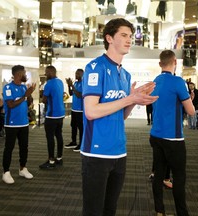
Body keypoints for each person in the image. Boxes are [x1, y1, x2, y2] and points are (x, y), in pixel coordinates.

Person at [81, 18, 158, 216]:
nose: (129, 40)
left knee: (110, 209)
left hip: (119, 152)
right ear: (109, 38)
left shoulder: (126, 75)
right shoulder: (95, 67)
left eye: (130, 36)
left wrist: (134, 100)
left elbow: (121, 116)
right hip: (96, 153)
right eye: (123, 35)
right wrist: (129, 98)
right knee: (93, 211)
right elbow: (91, 111)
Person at [150, 50, 195, 216]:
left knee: (159, 174)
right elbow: (191, 112)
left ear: (160, 63)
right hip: (173, 138)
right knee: (179, 177)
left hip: (156, 135)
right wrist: (188, 100)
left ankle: (159, 211)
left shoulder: (155, 81)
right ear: (175, 61)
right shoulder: (178, 82)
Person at [2, 65, 36, 184]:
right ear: (18, 75)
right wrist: (25, 95)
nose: (26, 75)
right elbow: (10, 104)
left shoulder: (23, 87)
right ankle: (6, 172)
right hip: (11, 124)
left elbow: (28, 103)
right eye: (24, 73)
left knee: (24, 147)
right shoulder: (7, 88)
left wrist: (30, 93)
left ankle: (23, 168)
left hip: (24, 123)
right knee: (9, 148)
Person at [39, 65, 65, 169]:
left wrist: (42, 95)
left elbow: (44, 100)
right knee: (59, 135)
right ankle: (59, 158)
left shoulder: (48, 84)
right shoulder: (60, 81)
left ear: (50, 72)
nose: (45, 74)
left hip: (52, 115)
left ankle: (51, 161)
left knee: (50, 138)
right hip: (61, 114)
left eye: (46, 72)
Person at [64, 69, 84, 152]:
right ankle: (74, 142)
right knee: (73, 126)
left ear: (82, 74)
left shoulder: (84, 84)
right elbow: (71, 93)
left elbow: (80, 95)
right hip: (74, 109)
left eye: (78, 74)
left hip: (81, 110)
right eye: (76, 73)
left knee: (81, 128)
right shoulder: (75, 83)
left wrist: (72, 86)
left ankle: (81, 144)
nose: (76, 75)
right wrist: (69, 86)